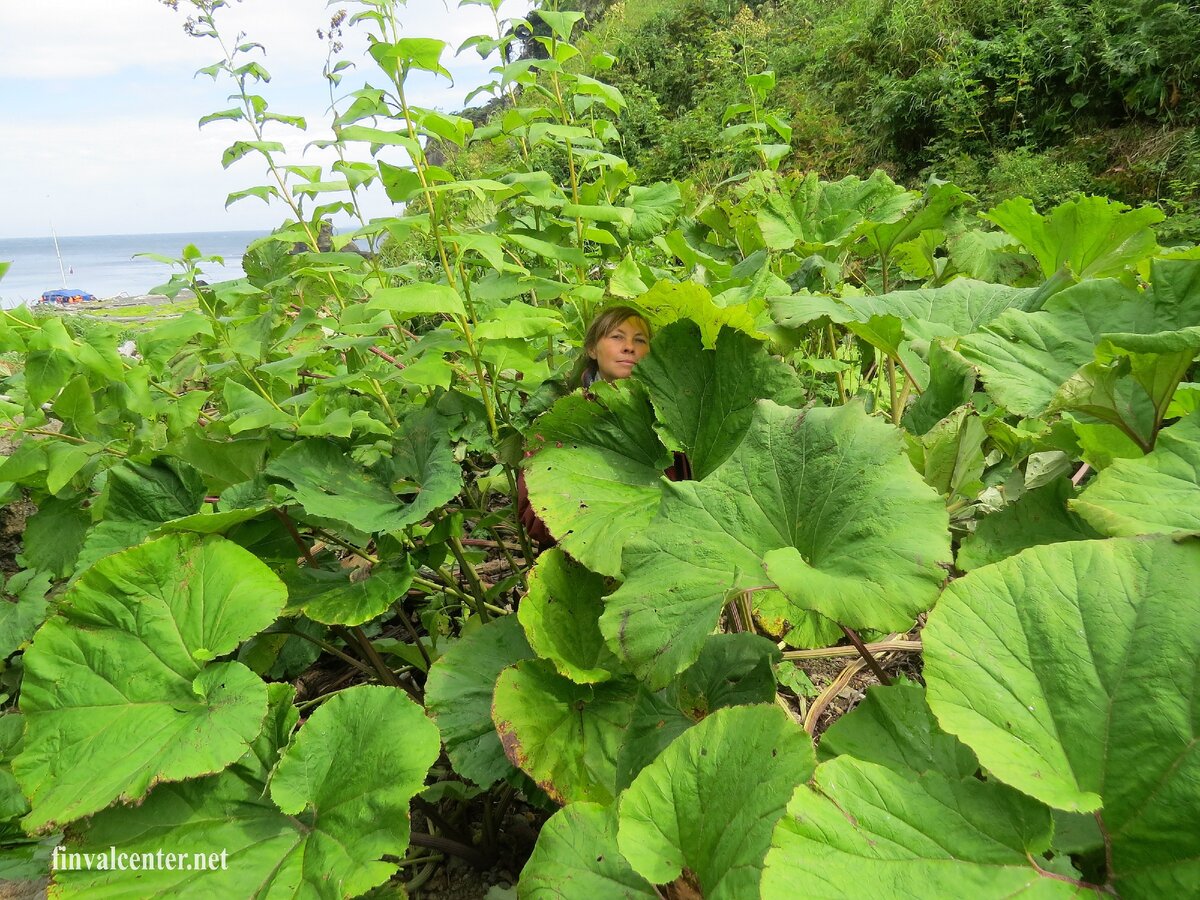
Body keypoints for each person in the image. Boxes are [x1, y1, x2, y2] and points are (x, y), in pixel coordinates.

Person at [517, 306, 690, 549]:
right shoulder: (562, 418)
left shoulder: (672, 416)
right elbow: (534, 515)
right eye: (617, 337)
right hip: (582, 554)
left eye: (639, 340)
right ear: (592, 349)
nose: (629, 347)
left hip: (662, 551)